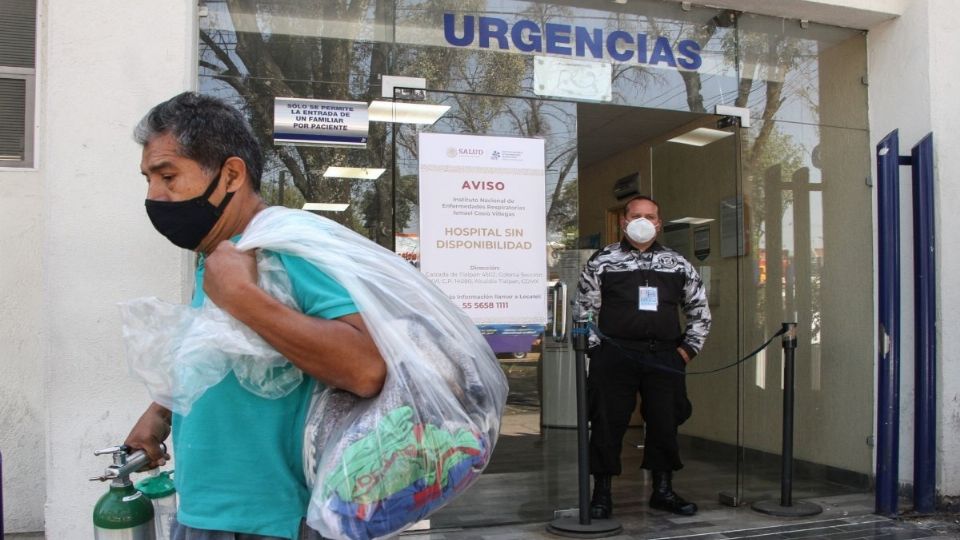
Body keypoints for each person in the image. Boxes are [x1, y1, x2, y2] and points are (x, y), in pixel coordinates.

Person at [123, 92, 387, 540]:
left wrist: (243, 297)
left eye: (168, 176)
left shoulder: (284, 248)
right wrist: (160, 412)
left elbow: (364, 368)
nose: (154, 195)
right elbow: (221, 351)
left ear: (230, 175)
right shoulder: (223, 253)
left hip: (270, 520)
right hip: (208, 509)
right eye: (148, 178)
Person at [576, 195, 711, 518]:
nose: (643, 221)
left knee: (665, 423)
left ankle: (663, 490)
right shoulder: (602, 261)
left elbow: (699, 310)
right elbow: (582, 311)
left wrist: (686, 351)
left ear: (659, 223)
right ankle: (602, 493)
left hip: (664, 355)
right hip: (615, 355)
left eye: (650, 216)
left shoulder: (677, 263)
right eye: (636, 215)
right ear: (623, 222)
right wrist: (599, 349)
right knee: (608, 424)